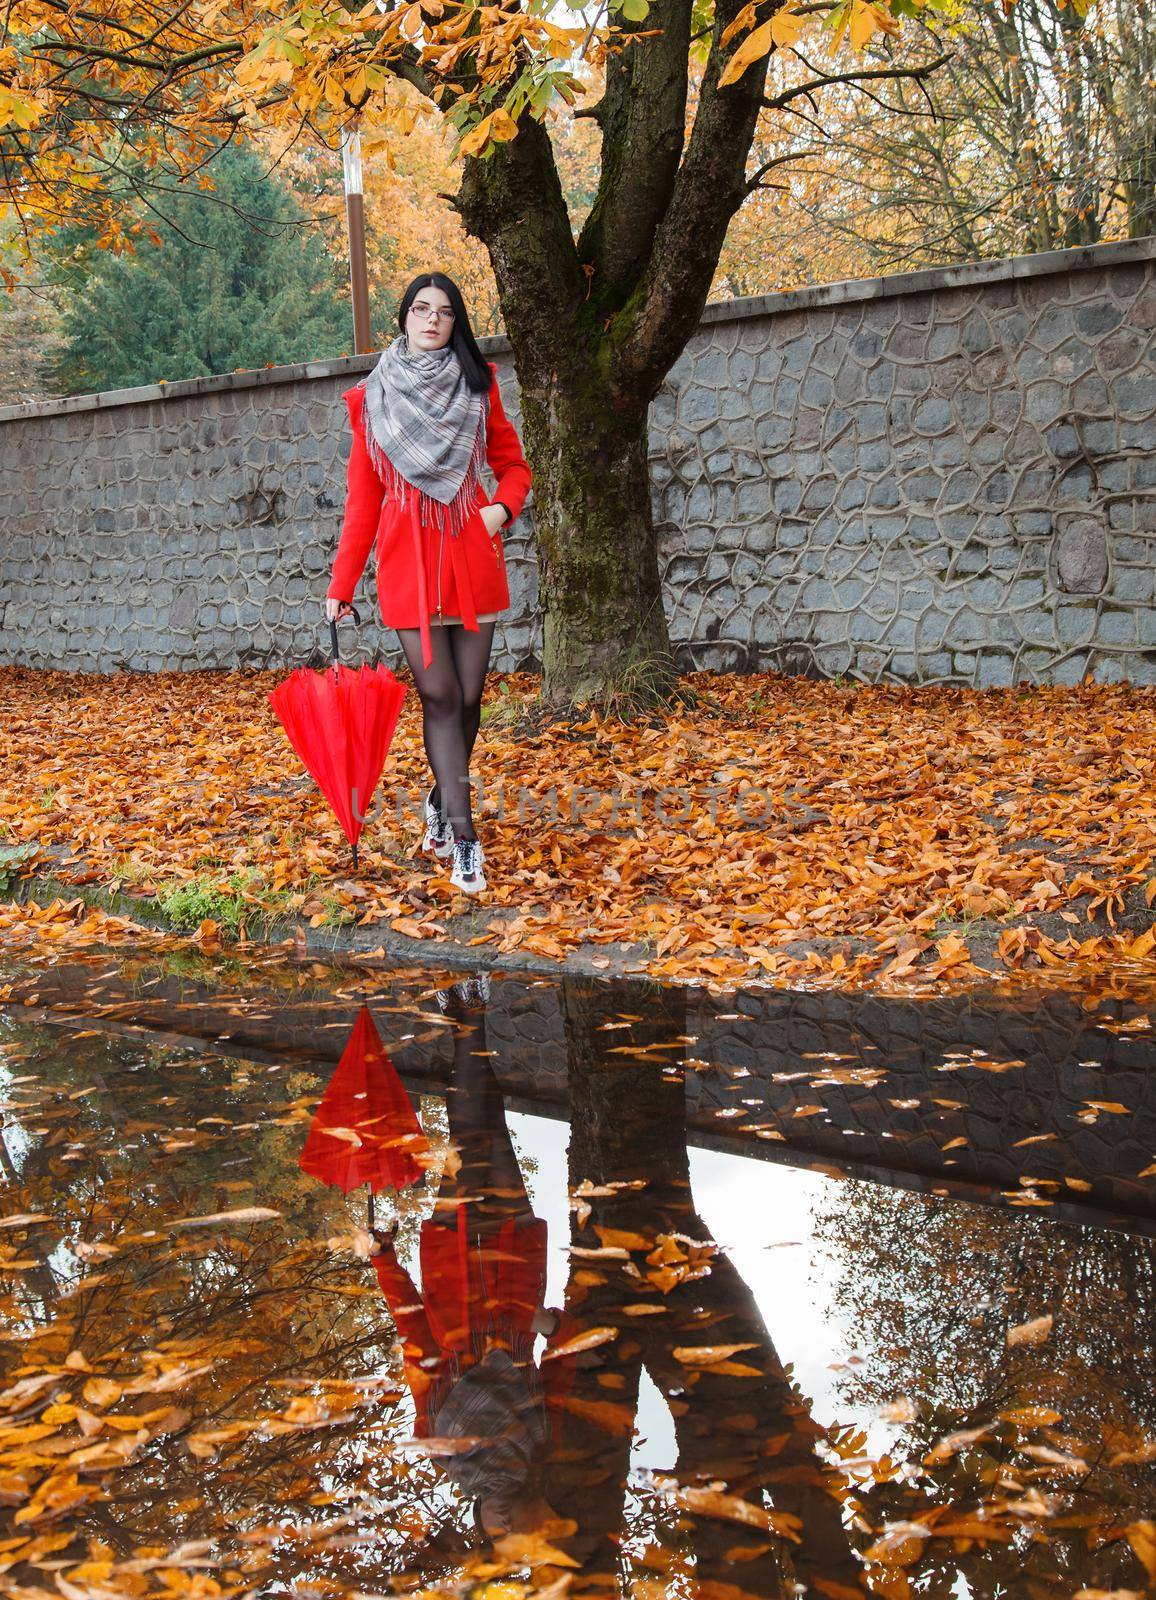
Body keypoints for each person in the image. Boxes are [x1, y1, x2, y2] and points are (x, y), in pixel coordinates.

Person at [323, 273, 532, 895]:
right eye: (421, 309)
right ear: (404, 318)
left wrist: (501, 510)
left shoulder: (479, 384)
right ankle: (464, 839)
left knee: (469, 698)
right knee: (440, 696)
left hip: (472, 555)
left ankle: (442, 803)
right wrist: (342, 584)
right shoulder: (371, 400)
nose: (433, 320)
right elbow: (363, 500)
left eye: (445, 311)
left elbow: (514, 467)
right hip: (407, 565)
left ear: (455, 321)